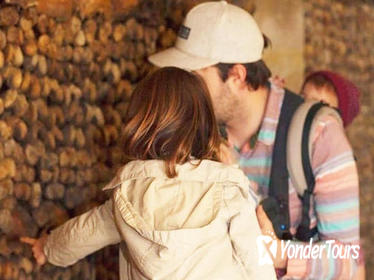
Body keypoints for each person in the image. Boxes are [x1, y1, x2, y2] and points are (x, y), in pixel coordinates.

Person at [148, 1, 364, 279]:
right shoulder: (191, 132)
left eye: (195, 78)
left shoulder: (319, 135)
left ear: (237, 76)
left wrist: (278, 253)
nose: (183, 91)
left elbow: (346, 258)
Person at [21, 67, 276, 280]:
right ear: (203, 122)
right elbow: (258, 263)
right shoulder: (226, 189)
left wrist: (47, 248)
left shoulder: (127, 195)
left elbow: (82, 233)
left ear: (140, 122)